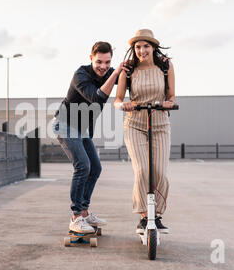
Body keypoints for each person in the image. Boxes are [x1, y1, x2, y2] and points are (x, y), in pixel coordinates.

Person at [52, 41, 129, 234]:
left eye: (107, 62)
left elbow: (132, 78)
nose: (103, 66)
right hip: (65, 124)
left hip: (82, 129)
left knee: (95, 167)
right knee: (83, 166)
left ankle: (85, 212)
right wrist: (116, 72)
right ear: (91, 59)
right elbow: (96, 98)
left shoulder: (110, 71)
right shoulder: (81, 75)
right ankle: (76, 216)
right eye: (99, 62)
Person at [114, 29, 176, 234]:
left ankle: (156, 215)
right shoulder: (128, 70)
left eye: (146, 46)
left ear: (153, 47)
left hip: (160, 125)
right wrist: (123, 105)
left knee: (159, 172)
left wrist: (169, 104)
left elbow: (172, 96)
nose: (142, 50)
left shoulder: (165, 66)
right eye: (138, 47)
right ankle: (143, 216)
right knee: (142, 171)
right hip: (135, 124)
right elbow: (117, 99)